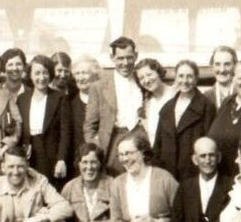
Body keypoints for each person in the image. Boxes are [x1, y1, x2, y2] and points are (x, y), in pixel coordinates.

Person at [84, 37, 142, 175]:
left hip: (139, 139)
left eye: (129, 57)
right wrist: (96, 150)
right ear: (112, 58)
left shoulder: (142, 81)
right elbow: (89, 126)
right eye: (120, 58)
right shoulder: (99, 86)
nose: (125, 63)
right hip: (112, 142)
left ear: (136, 56)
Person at [154, 59, 216, 182]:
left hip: (193, 172)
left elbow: (210, 142)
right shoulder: (167, 108)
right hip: (168, 173)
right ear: (175, 78)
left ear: (196, 78)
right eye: (181, 76)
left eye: (189, 76)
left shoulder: (206, 106)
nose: (185, 81)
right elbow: (158, 145)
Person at [17, 54, 71, 191]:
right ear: (30, 75)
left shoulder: (59, 98)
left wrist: (62, 160)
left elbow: (66, 132)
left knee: (50, 192)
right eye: (37, 73)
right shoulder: (22, 99)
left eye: (45, 73)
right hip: (29, 154)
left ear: (50, 74)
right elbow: (19, 129)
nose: (41, 77)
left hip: (51, 154)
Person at [66, 55, 100, 175]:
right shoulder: (69, 104)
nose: (80, 78)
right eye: (77, 74)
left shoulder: (104, 102)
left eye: (84, 73)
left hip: (100, 161)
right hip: (78, 164)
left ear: (95, 75)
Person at [134, 57, 175, 150]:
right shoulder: (146, 103)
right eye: (141, 78)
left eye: (149, 74)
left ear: (159, 73)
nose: (147, 80)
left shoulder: (175, 95)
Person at [207, 45, 237, 110]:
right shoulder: (205, 97)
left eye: (227, 64)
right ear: (212, 67)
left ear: (235, 66)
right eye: (217, 64)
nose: (222, 70)